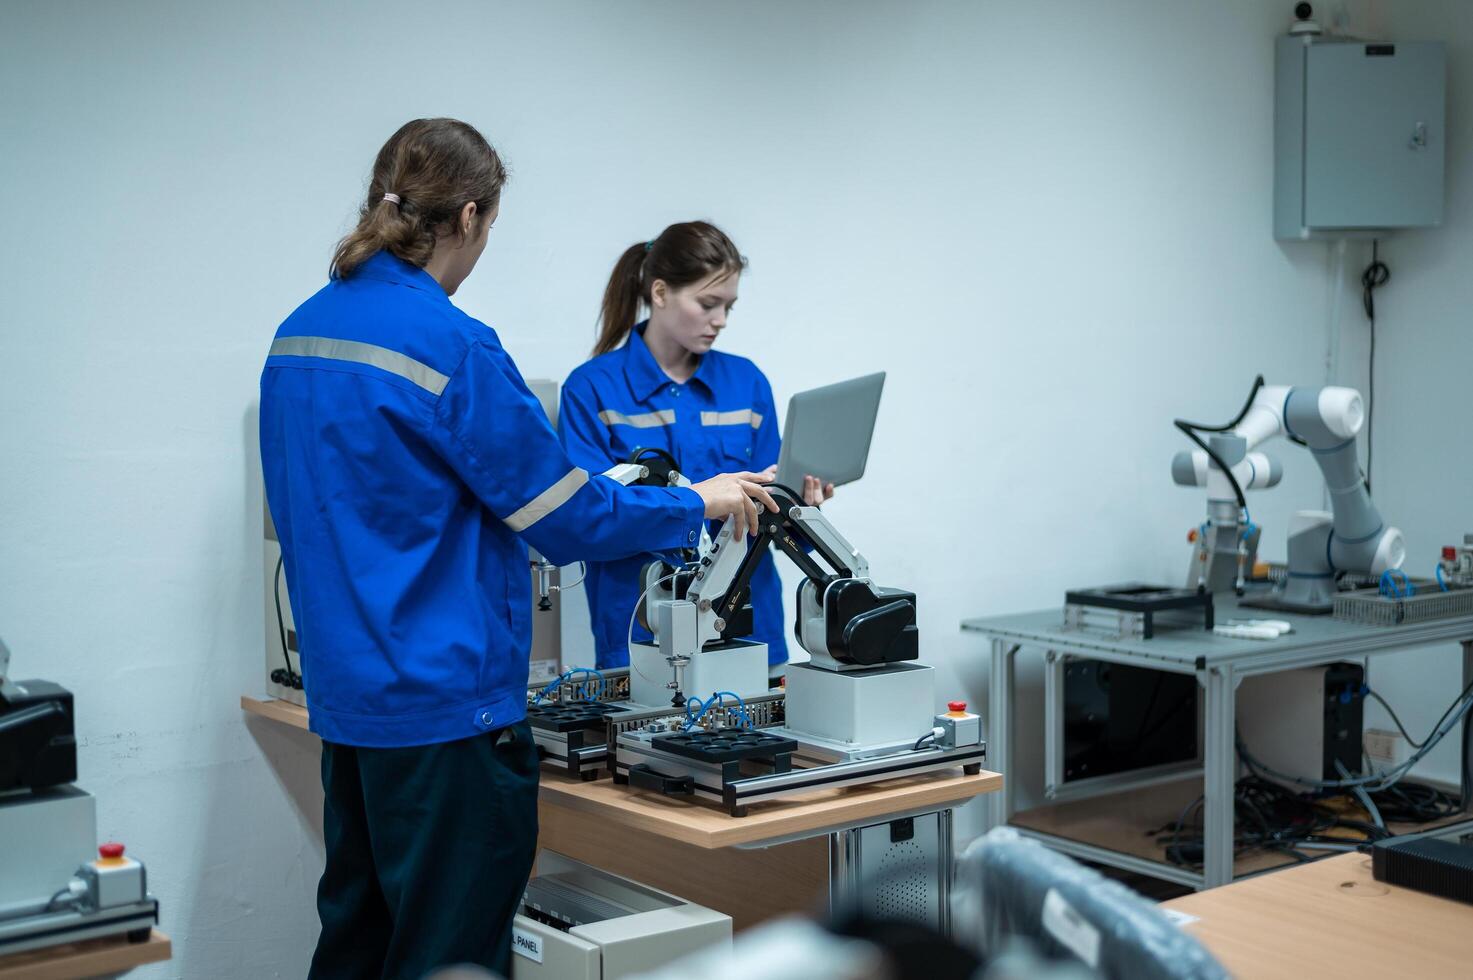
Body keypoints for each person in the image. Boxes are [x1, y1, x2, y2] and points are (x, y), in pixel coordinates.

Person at [259, 121, 775, 979]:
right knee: (449, 957)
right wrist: (691, 502)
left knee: (358, 938)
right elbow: (568, 517)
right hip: (447, 711)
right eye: (488, 227)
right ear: (468, 215)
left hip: (350, 704)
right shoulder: (453, 345)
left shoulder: (298, 335)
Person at [558, 221, 833, 673]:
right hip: (642, 637)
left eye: (729, 306)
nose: (721, 320)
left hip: (751, 633)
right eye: (708, 304)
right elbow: (586, 517)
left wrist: (801, 506)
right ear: (661, 293)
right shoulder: (593, 390)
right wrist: (694, 503)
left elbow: (773, 509)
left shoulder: (746, 383)